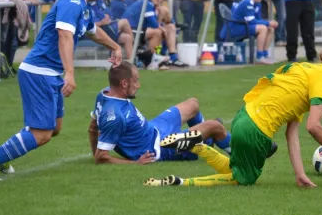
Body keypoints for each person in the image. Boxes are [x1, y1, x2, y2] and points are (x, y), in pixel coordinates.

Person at [0, 0, 123, 182]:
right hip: (38, 72)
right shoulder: (72, 2)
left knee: (54, 128)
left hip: (50, 73)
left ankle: (5, 156)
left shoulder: (82, 5)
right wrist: (70, 73)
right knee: (41, 133)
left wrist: (115, 47)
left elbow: (93, 32)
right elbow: (64, 36)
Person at [144, 51, 322, 188]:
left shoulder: (305, 70)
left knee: (235, 168)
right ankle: (180, 182)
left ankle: (197, 146)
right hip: (258, 130)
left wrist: (299, 174)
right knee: (242, 179)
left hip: (242, 117)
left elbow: (292, 133)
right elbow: (314, 126)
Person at [88, 61, 233, 164]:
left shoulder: (104, 94)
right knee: (215, 126)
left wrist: (95, 151)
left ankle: (206, 141)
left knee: (192, 104)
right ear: (124, 84)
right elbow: (102, 157)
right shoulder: (115, 117)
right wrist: (136, 163)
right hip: (161, 147)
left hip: (155, 129)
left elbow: (92, 128)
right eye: (136, 81)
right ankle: (245, 158)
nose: (138, 85)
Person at [221, 0, 277, 64]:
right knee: (263, 28)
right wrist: (268, 22)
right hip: (235, 28)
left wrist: (268, 24)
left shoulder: (258, 4)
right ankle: (260, 57)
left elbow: (258, 19)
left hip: (244, 25)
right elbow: (251, 21)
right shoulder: (247, 2)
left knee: (270, 28)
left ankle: (264, 54)